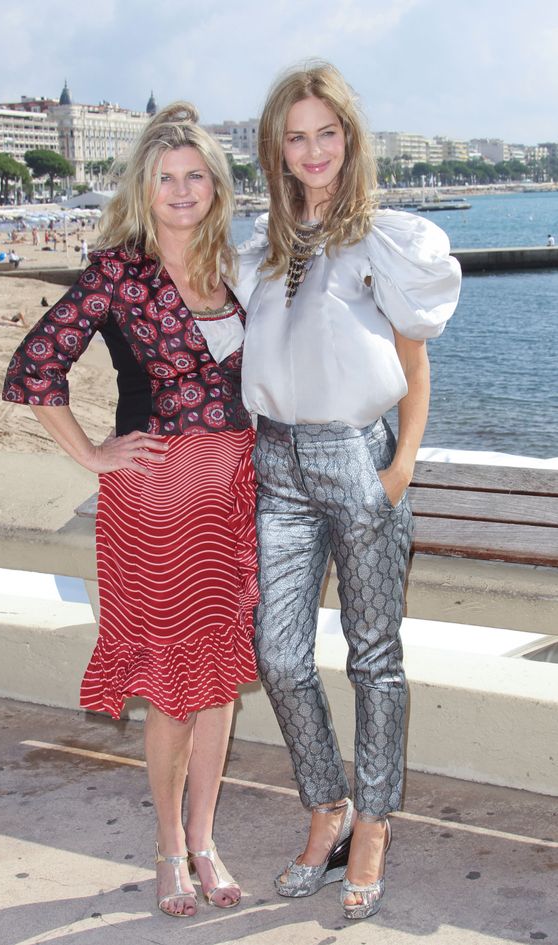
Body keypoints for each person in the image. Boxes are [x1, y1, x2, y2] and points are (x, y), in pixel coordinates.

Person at [2, 102, 258, 919]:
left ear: (215, 187)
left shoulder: (230, 271)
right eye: (166, 178)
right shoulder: (119, 272)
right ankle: (168, 848)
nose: (182, 191)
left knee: (218, 683)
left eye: (195, 176)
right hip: (156, 502)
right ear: (144, 190)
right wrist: (92, 452)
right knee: (174, 691)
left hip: (231, 499)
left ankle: (207, 837)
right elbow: (34, 366)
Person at [235, 62, 461, 922]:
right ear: (278, 148)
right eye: (297, 135)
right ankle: (326, 806)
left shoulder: (381, 239)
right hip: (279, 463)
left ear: (350, 138)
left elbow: (414, 365)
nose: (314, 148)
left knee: (375, 655)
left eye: (327, 131)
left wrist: (400, 466)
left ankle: (371, 822)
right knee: (279, 654)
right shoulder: (262, 241)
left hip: (358, 457)